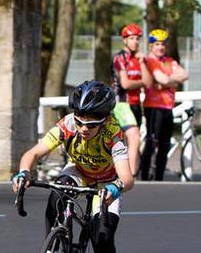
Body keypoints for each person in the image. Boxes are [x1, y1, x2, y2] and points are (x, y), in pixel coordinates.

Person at [13, 81, 134, 253]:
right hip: (80, 171)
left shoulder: (113, 134)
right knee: (57, 195)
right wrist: (23, 173)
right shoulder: (67, 124)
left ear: (105, 120)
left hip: (107, 183)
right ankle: (52, 246)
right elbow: (32, 154)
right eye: (79, 122)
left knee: (103, 240)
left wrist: (115, 188)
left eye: (91, 125)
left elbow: (127, 179)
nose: (84, 129)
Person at [140, 29, 188, 181]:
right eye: (157, 44)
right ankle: (145, 175)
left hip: (168, 106)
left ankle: (159, 177)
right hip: (153, 106)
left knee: (165, 143)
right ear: (151, 46)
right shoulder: (149, 60)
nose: (160, 47)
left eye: (163, 44)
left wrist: (167, 80)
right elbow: (163, 80)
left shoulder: (169, 61)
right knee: (152, 141)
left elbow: (184, 75)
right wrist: (171, 80)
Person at [110, 23, 152, 176]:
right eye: (132, 38)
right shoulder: (120, 57)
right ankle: (131, 174)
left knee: (130, 139)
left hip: (135, 104)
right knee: (134, 136)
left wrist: (142, 63)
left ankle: (124, 172)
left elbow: (148, 83)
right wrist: (140, 82)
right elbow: (125, 83)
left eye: (137, 39)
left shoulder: (140, 59)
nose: (135, 41)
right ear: (125, 40)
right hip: (121, 103)